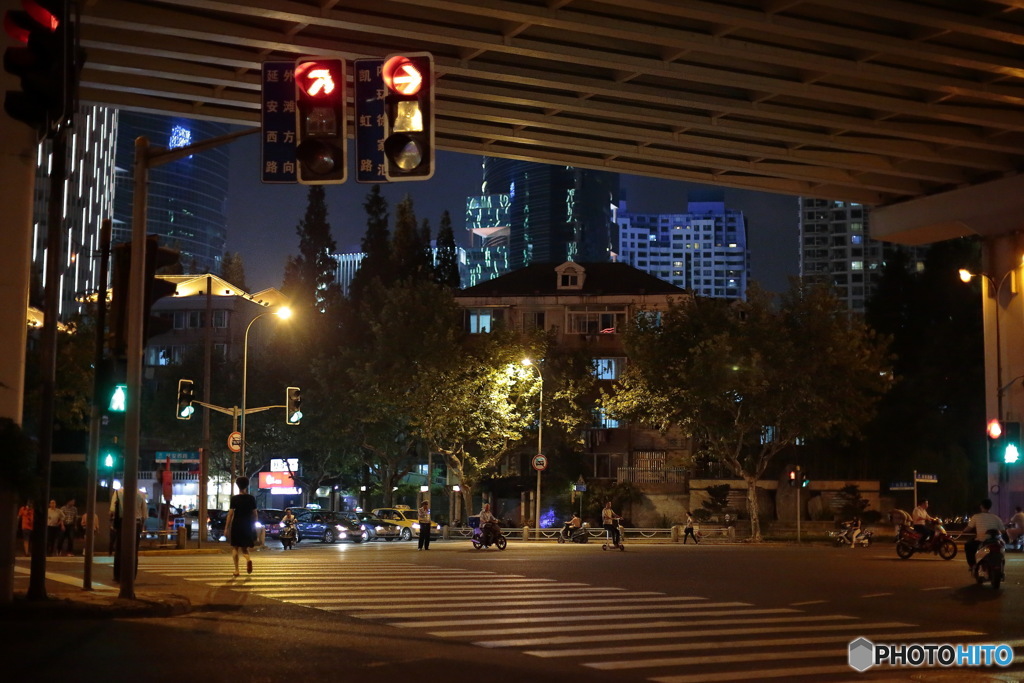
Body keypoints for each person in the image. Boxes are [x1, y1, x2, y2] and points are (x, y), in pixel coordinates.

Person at [225, 476, 257, 576]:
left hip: (237, 524)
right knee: (245, 548)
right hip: (247, 525)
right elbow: (255, 514)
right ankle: (248, 560)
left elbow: (230, 514)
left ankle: (237, 570)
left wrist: (226, 528)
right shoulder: (251, 498)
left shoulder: (234, 499)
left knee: (235, 548)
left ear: (238, 486)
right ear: (247, 485)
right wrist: (254, 526)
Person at [963, 498, 1005, 570]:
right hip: (995, 541)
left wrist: (963, 531)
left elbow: (968, 528)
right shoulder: (996, 518)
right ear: (990, 507)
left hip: (982, 541)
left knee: (968, 546)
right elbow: (1003, 531)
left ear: (981, 506)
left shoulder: (976, 517)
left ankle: (973, 565)